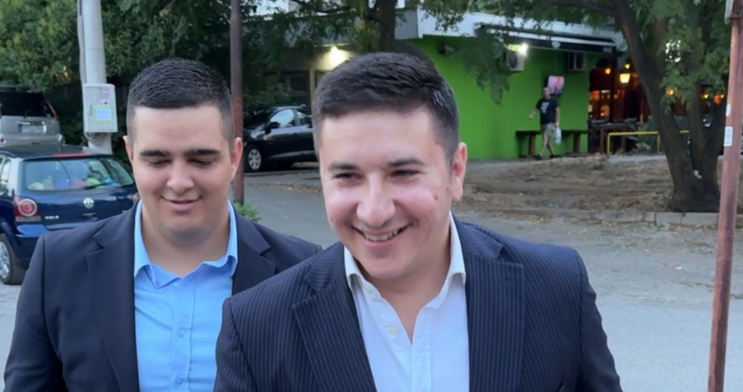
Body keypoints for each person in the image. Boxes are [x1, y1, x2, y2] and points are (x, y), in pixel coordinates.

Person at [213, 52, 623, 392]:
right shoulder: (257, 329)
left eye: (403, 173)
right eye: (347, 176)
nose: (374, 211)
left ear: (455, 171)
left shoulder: (556, 289)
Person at [4, 58, 321, 392]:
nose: (179, 182)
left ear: (234, 157)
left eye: (201, 160)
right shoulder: (58, 267)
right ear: (131, 155)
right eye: (157, 161)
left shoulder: (303, 271)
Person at [528, 87, 561, 159]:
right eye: (544, 91)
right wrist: (532, 115)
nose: (545, 92)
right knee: (546, 140)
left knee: (545, 138)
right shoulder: (541, 101)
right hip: (542, 123)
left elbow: (558, 111)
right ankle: (553, 154)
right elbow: (536, 109)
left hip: (550, 123)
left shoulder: (553, 101)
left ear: (550, 92)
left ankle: (540, 154)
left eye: (546, 91)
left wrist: (557, 121)